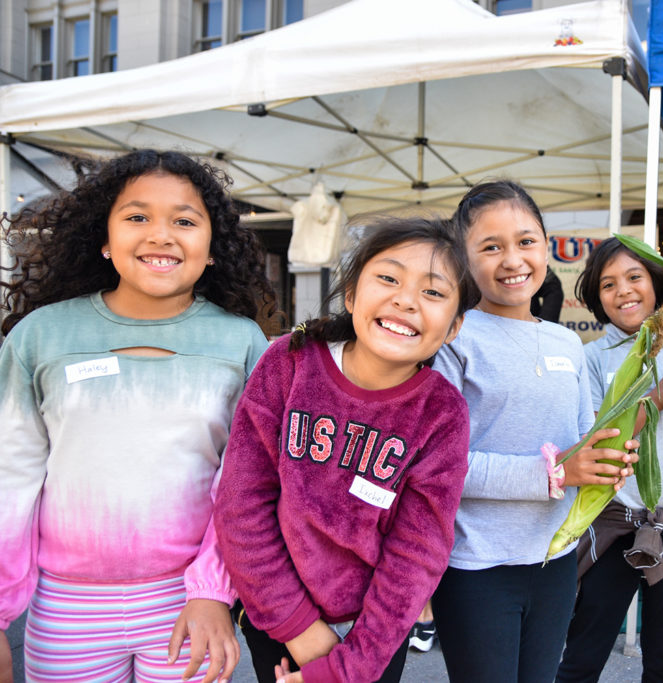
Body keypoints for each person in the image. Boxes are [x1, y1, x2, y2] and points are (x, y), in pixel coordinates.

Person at [0, 149, 276, 683]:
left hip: (189, 604)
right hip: (66, 606)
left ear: (212, 247)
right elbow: (9, 477)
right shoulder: (40, 336)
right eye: (137, 217)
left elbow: (248, 483)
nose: (161, 234)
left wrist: (215, 592)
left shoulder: (242, 343)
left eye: (185, 221)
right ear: (103, 239)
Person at [213, 216, 479, 683]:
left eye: (433, 292)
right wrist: (299, 629)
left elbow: (417, 554)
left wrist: (347, 667)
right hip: (276, 619)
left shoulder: (442, 413)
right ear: (352, 294)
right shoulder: (289, 363)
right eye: (389, 278)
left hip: (370, 639)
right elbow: (241, 504)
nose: (406, 299)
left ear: (454, 327)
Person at [430, 180, 638, 683]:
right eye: (490, 246)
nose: (512, 260)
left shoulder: (567, 342)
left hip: (556, 562)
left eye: (526, 241)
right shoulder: (453, 340)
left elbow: (584, 437)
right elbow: (440, 466)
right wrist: (557, 473)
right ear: (463, 257)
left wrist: (609, 457)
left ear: (546, 246)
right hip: (475, 565)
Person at [556, 237, 663, 682]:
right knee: (582, 656)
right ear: (596, 297)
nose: (624, 292)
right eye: (609, 284)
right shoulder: (591, 358)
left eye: (634, 278)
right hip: (614, 521)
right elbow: (592, 444)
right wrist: (657, 397)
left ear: (655, 284)